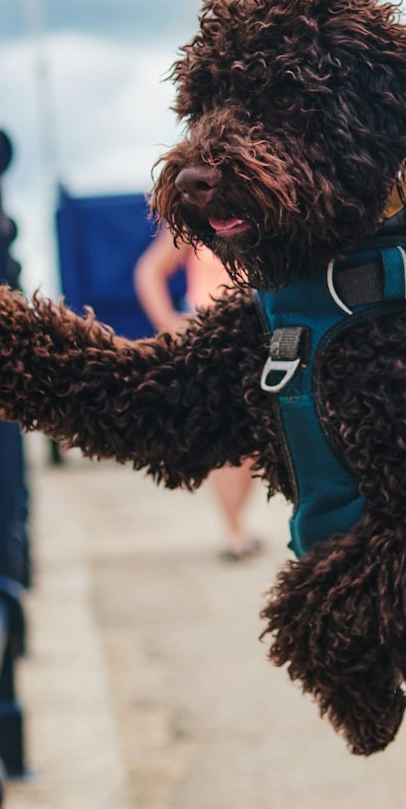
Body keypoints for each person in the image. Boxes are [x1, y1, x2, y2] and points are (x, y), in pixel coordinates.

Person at [134, 223, 260, 559]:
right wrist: (169, 323)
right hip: (212, 335)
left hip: (259, 329)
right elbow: (149, 271)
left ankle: (238, 521)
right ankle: (234, 531)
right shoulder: (194, 221)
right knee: (229, 440)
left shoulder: (258, 211)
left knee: (255, 446)